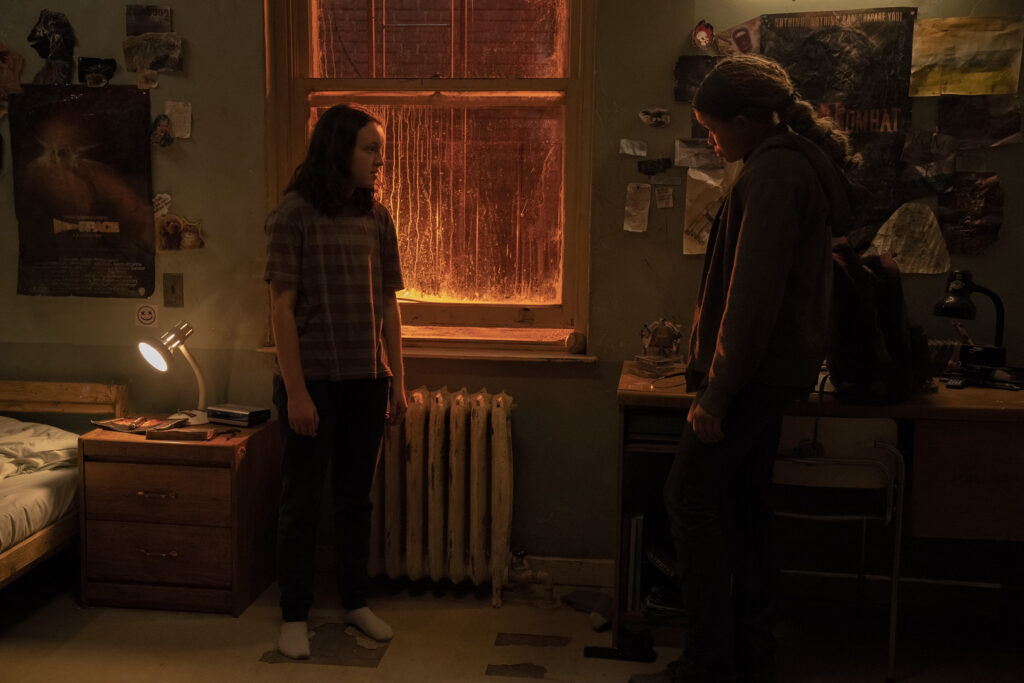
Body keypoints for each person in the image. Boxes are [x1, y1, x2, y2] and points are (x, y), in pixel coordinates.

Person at [631, 55, 861, 683]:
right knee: (745, 509)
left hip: (751, 379)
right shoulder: (785, 165)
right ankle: (752, 654)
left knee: (688, 500)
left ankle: (708, 661)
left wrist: (718, 391)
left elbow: (752, 294)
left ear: (745, 121)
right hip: (771, 373)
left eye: (713, 129)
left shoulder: (775, 173)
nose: (711, 141)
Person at [264, 104, 407, 659]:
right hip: (313, 383)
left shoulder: (377, 218)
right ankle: (293, 614)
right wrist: (297, 393)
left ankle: (354, 601)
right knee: (300, 502)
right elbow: (280, 308)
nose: (379, 161)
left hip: (367, 380)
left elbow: (389, 307)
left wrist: (398, 382)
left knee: (354, 500)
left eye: (380, 151)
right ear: (339, 150)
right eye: (370, 149)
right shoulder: (292, 215)